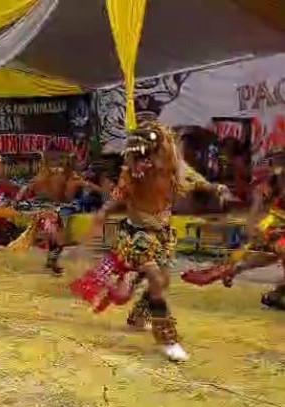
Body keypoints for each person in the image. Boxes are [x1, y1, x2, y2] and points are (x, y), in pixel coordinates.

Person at [70, 120, 230, 362]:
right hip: (137, 236)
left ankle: (138, 313)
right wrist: (92, 238)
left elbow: (197, 182)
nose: (140, 161)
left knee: (162, 281)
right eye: (136, 155)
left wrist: (215, 188)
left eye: (145, 153)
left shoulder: (175, 169)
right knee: (156, 278)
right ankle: (167, 338)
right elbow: (112, 202)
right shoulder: (131, 174)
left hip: (163, 236)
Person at [181, 158, 285, 309]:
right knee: (273, 246)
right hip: (274, 230)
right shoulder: (265, 189)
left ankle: (278, 291)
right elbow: (253, 225)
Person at [9, 151, 97, 275]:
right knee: (57, 240)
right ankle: (51, 262)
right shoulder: (53, 177)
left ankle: (51, 261)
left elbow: (27, 188)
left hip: (50, 211)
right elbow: (27, 188)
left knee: (56, 240)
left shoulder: (65, 177)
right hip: (48, 212)